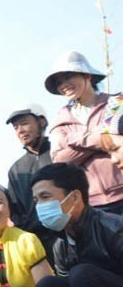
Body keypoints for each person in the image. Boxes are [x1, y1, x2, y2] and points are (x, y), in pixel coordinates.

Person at [32, 162, 123, 287]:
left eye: (45, 197)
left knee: (81, 274)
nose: (39, 206)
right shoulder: (60, 243)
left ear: (75, 197)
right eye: (36, 200)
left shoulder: (114, 229)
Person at [46, 51, 123, 214]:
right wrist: (103, 139)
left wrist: (76, 139)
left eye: (68, 76)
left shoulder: (117, 102)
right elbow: (60, 161)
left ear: (87, 75)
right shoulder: (61, 119)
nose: (64, 85)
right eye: (59, 82)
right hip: (93, 204)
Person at [5, 104, 59, 264]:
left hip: (71, 233)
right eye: (16, 127)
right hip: (39, 244)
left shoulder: (60, 152)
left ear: (41, 122)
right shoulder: (16, 170)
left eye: (24, 123)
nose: (20, 130)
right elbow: (14, 211)